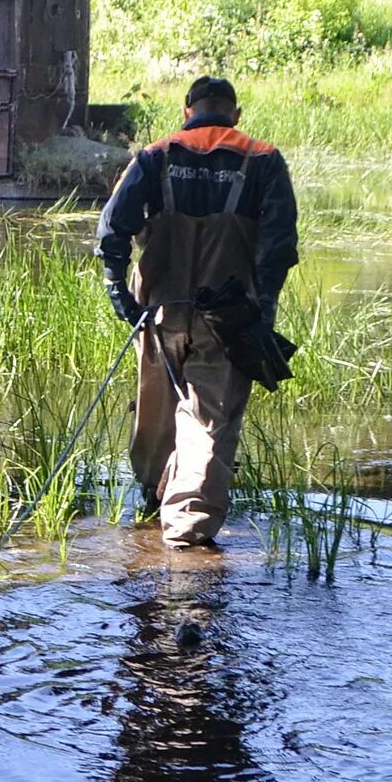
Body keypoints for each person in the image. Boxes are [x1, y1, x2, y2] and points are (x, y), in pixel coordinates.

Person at [96, 76, 300, 546]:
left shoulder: (155, 154)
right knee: (209, 421)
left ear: (187, 111)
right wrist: (264, 309)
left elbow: (112, 231)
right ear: (235, 114)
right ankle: (186, 537)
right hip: (226, 319)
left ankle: (151, 505)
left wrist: (118, 291)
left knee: (156, 418)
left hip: (159, 315)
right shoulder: (263, 159)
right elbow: (278, 246)